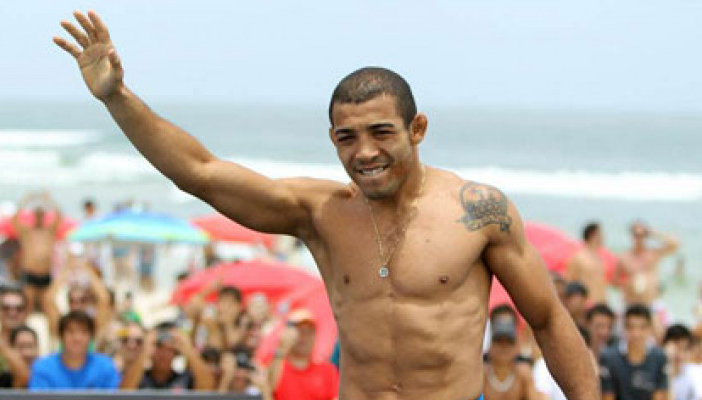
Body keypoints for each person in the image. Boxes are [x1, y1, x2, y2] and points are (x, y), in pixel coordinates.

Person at [53, 13, 597, 399]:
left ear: (417, 129)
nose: (364, 152)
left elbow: (548, 320)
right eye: (346, 137)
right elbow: (201, 173)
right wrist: (117, 98)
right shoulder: (321, 213)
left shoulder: (477, 212)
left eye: (381, 132)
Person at [29, 311, 121, 390]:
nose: (77, 338)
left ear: (91, 337)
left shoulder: (106, 366)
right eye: (71, 332)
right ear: (61, 336)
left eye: (83, 332)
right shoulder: (43, 367)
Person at [599, 304, 667, 400]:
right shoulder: (609, 357)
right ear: (624, 328)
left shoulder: (659, 357)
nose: (636, 333)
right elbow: (607, 396)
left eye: (642, 328)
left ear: (650, 329)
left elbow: (660, 395)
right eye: (631, 327)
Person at [119, 322, 214, 390]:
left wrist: (188, 350)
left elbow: (208, 388)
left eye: (169, 349)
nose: (163, 354)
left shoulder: (185, 379)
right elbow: (124, 392)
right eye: (159, 347)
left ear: (176, 352)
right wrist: (145, 351)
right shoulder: (139, 378)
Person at [269, 309, 338, 400]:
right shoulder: (277, 365)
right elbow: (268, 388)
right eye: (300, 331)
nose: (304, 337)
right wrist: (282, 348)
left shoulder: (328, 371)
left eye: (309, 332)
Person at [12, 191, 62, 311]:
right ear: (33, 216)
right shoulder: (27, 232)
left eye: (41, 215)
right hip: (30, 273)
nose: (39, 217)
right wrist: (25, 201)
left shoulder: (49, 231)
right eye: (37, 214)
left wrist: (49, 201)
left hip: (45, 273)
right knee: (27, 306)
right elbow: (15, 219)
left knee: (48, 306)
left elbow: (59, 216)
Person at [616, 222, 679, 307]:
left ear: (646, 236)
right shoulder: (624, 257)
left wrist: (653, 233)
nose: (639, 238)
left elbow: (675, 244)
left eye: (643, 235)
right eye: (636, 235)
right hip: (629, 303)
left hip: (651, 302)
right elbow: (616, 280)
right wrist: (628, 285)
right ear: (632, 236)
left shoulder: (653, 253)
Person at [483, 319, 538, 400]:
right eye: (499, 341)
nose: (504, 347)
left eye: (509, 342)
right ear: (490, 345)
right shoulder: (482, 374)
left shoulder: (523, 373)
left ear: (517, 347)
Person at [566, 222, 610, 303]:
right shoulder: (578, 258)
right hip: (587, 302)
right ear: (592, 235)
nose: (603, 237)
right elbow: (570, 282)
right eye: (600, 234)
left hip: (601, 301)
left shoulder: (600, 258)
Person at [661, 324, 701, 400]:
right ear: (665, 346)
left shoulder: (694, 372)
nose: (680, 354)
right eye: (677, 347)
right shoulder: (657, 371)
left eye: (684, 349)